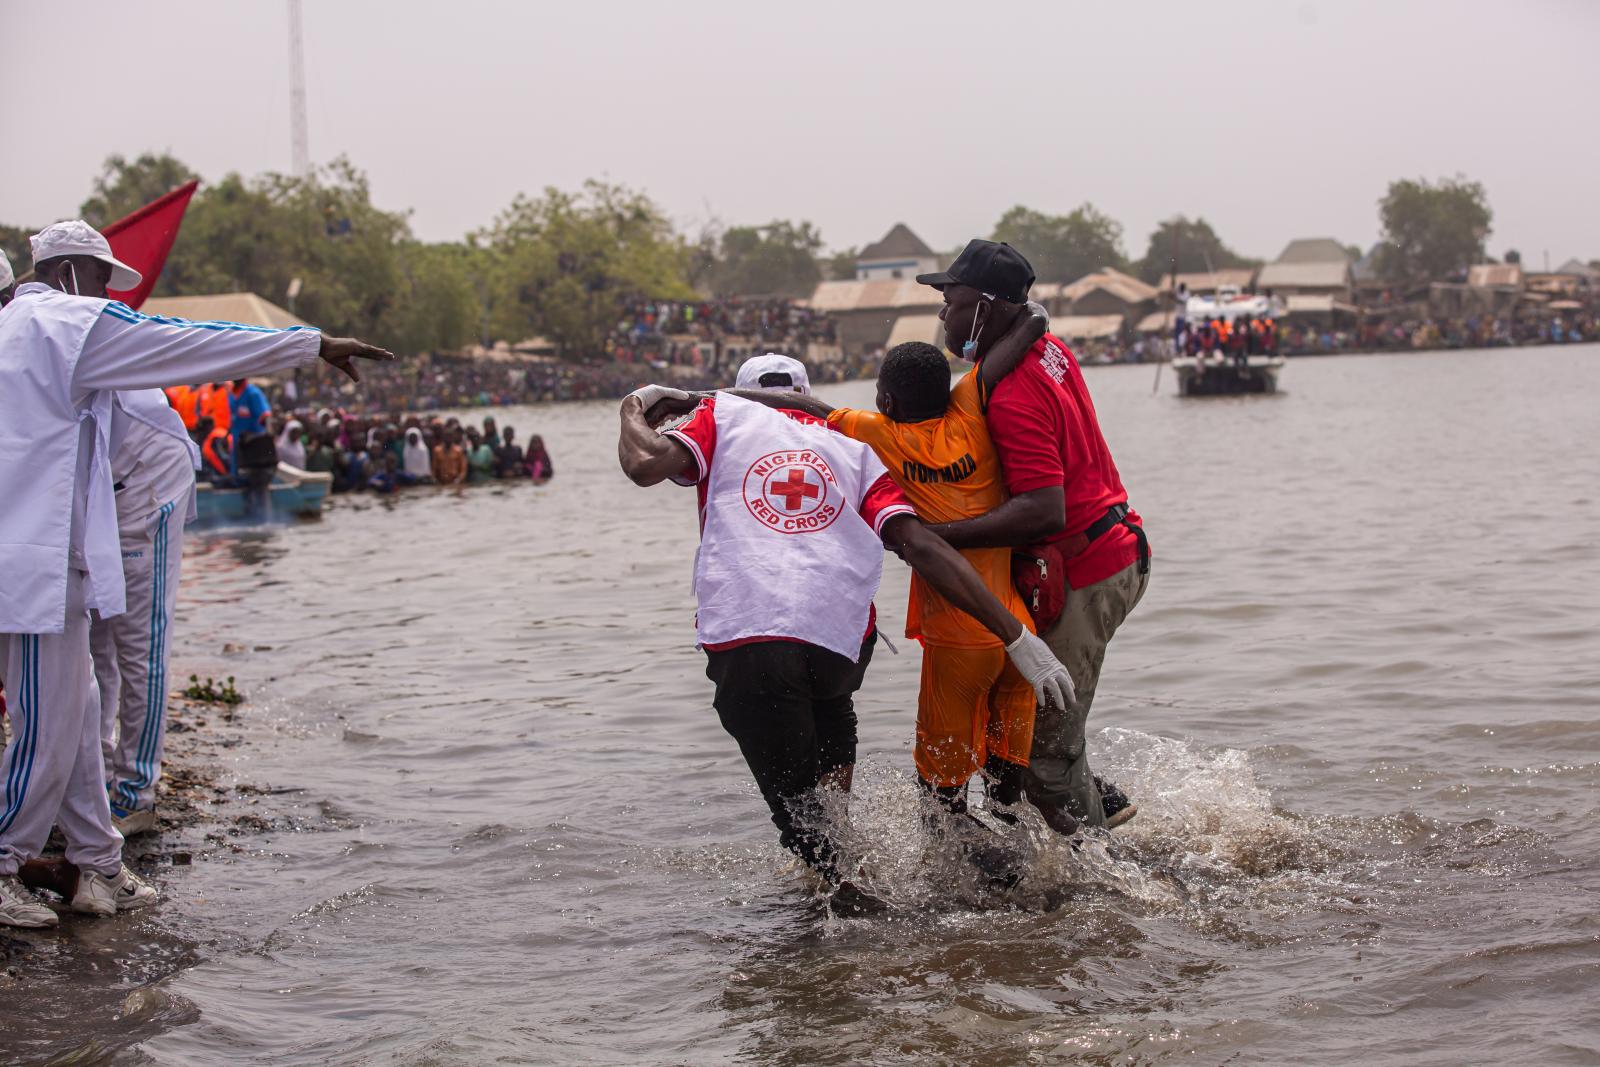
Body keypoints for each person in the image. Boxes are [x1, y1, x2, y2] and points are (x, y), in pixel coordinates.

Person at [0, 219, 391, 929]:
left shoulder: (28, 331)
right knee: (50, 724)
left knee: (77, 713)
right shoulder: (64, 323)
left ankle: (97, 863)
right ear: (70, 273)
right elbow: (188, 341)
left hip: (55, 555)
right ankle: (4, 860)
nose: (111, 297)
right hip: (35, 562)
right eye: (102, 281)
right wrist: (310, 344)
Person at [618, 371, 1075, 909]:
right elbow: (920, 546)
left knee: (808, 833)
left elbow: (645, 464)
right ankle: (904, 878)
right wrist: (1016, 636)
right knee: (832, 722)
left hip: (752, 638)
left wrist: (634, 405)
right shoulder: (856, 450)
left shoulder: (720, 417)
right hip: (838, 645)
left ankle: (873, 914)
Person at [723, 313, 1061, 836]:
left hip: (959, 640)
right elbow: (998, 360)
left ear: (886, 401)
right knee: (1007, 796)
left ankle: (959, 883)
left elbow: (806, 408)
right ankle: (1038, 873)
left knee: (941, 805)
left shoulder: (877, 434)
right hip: (1017, 632)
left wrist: (713, 397)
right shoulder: (971, 409)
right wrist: (1033, 321)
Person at [917, 239, 1150, 832]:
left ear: (987, 308)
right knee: (1036, 729)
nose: (943, 313)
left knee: (1044, 761)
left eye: (952, 301)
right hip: (1114, 547)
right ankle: (1104, 809)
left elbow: (1044, 510)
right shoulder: (1048, 349)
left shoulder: (1014, 394)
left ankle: (1111, 875)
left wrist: (939, 538)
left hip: (1086, 567)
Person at [90, 387, 202, 836]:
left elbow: (193, 353)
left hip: (145, 479)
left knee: (139, 645)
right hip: (91, 484)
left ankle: (135, 793)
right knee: (91, 642)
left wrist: (308, 351)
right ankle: (93, 778)